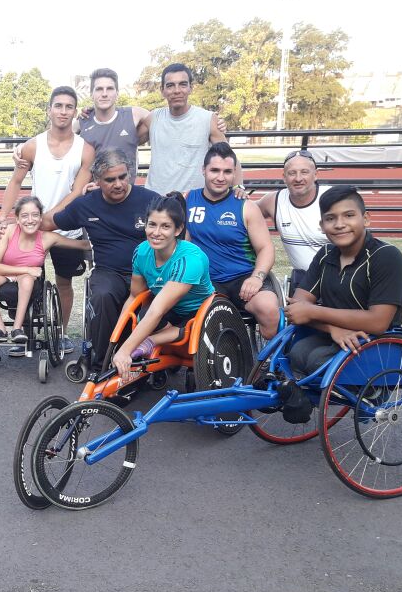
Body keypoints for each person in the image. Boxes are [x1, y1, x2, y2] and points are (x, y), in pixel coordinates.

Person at [0, 86, 95, 353]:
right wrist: (3, 217)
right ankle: (22, 333)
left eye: (69, 106)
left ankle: (60, 334)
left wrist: (49, 219)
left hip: (66, 228)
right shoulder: (32, 146)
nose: (63, 111)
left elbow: (77, 192)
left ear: (75, 111)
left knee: (64, 282)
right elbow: (15, 181)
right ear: (49, 109)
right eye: (58, 106)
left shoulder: (85, 150)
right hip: (30, 229)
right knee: (24, 279)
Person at [36, 148, 160, 369]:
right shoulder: (86, 204)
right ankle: (102, 365)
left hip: (148, 271)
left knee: (162, 296)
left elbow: (177, 228)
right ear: (97, 180)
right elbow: (47, 223)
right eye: (110, 179)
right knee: (102, 294)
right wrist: (12, 223)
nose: (119, 184)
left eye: (123, 177)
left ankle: (148, 359)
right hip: (108, 271)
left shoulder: (150, 200)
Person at [285, 186, 402, 376]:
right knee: (295, 353)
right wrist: (333, 328)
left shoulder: (386, 256)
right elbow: (297, 310)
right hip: (333, 337)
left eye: (349, 215)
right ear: (322, 225)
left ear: (365, 218)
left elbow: (378, 322)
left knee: (315, 361)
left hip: (373, 342)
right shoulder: (325, 255)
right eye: (330, 218)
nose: (339, 224)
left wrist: (313, 311)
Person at [110, 192, 215, 377]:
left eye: (165, 226)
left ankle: (152, 341)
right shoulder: (141, 252)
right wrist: (116, 342)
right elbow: (135, 296)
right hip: (168, 311)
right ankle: (157, 344)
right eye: (152, 224)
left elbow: (156, 311)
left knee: (155, 317)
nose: (156, 233)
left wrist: (127, 350)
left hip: (198, 312)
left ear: (177, 229)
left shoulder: (191, 259)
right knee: (142, 314)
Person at [185, 142, 279, 340]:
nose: (220, 177)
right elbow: (182, 244)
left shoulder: (246, 206)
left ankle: (266, 365)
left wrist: (257, 277)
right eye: (215, 170)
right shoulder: (188, 200)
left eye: (227, 172)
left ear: (234, 173)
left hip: (242, 278)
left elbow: (265, 248)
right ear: (203, 170)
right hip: (206, 280)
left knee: (269, 308)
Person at [0, 196, 91, 342]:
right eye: (24, 216)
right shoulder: (7, 231)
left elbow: (83, 245)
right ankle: (0, 328)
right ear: (18, 219)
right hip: (5, 273)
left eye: (35, 215)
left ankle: (17, 328)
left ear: (41, 218)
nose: (30, 220)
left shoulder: (47, 238)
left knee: (27, 280)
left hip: (26, 279)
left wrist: (111, 238)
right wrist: (27, 269)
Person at [142, 63, 233, 195]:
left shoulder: (207, 119)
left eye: (183, 84)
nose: (177, 90)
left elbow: (229, 157)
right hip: (156, 200)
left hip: (192, 201)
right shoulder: (153, 118)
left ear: (191, 88)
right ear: (162, 90)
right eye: (170, 85)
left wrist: (238, 187)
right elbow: (128, 138)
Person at [257, 149, 330, 291]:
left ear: (315, 174)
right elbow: (243, 214)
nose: (298, 178)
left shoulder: (332, 198)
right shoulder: (273, 201)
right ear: (284, 177)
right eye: (292, 173)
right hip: (302, 279)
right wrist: (237, 190)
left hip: (336, 276)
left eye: (304, 172)